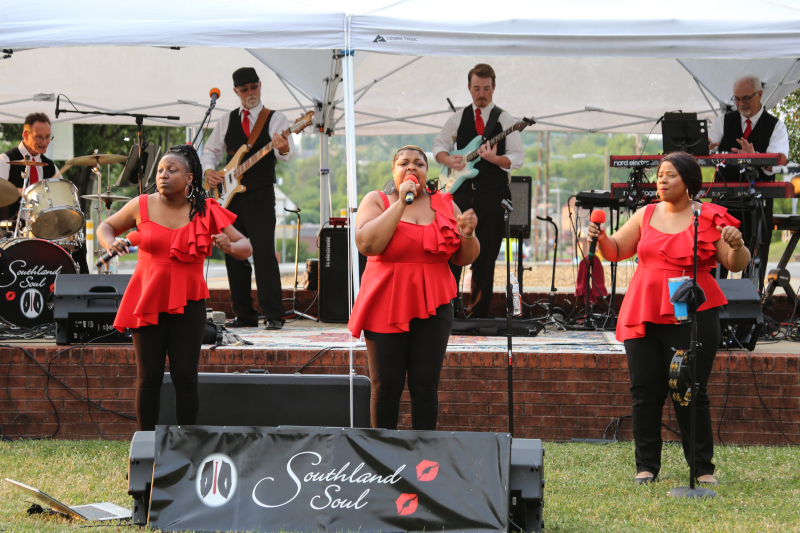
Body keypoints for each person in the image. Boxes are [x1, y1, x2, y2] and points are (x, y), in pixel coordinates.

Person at [588, 151, 750, 484]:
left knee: (687, 389)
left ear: (689, 181)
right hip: (645, 311)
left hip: (691, 313)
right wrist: (601, 239)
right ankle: (646, 466)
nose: (661, 179)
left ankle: (701, 468)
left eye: (670, 174)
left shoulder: (708, 216)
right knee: (645, 391)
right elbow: (616, 250)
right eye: (660, 174)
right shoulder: (645, 214)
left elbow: (736, 263)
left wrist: (737, 246)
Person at [98, 145, 252, 432]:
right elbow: (106, 226)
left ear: (189, 177)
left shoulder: (207, 209)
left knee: (185, 378)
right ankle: (147, 444)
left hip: (189, 302)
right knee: (148, 378)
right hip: (147, 299)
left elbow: (245, 246)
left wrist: (230, 247)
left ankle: (185, 445)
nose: (163, 175)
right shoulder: (141, 204)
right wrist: (110, 243)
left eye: (172, 170)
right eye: (160, 170)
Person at [348, 146, 479, 430]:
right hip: (386, 302)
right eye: (404, 163)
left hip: (434, 303)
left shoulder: (445, 203)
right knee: (386, 386)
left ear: (426, 172)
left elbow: (464, 258)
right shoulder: (377, 200)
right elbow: (367, 244)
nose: (412, 167)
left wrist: (467, 234)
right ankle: (382, 451)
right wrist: (401, 203)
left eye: (419, 163)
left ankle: (424, 452)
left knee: (426, 385)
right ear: (393, 170)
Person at [201, 67, 295, 329]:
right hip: (230, 196)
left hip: (261, 193)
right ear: (236, 91)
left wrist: (284, 147)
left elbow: (287, 156)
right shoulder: (226, 119)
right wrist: (209, 171)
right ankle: (244, 315)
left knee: (264, 252)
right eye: (244, 89)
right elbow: (210, 151)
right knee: (233, 253)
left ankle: (274, 315)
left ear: (260, 86)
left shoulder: (276, 118)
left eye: (254, 87)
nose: (250, 92)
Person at [433, 63, 524, 318]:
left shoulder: (505, 120)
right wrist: (448, 159)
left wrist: (495, 159)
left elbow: (517, 157)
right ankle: (447, 312)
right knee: (452, 250)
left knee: (486, 256)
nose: (481, 94)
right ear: (469, 88)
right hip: (460, 195)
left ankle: (479, 315)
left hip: (493, 196)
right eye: (476, 89)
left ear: (494, 88)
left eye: (486, 89)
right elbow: (439, 146)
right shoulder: (458, 118)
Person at [708, 74, 790, 289]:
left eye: (745, 98)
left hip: (758, 203)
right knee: (717, 253)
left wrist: (756, 157)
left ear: (759, 94)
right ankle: (714, 301)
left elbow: (779, 163)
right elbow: (708, 143)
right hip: (724, 201)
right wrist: (705, 146)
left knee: (756, 255)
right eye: (736, 99)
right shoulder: (723, 121)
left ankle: (752, 302)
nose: (740, 104)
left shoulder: (776, 126)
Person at [0, 112, 89, 273]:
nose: (45, 142)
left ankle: (80, 284)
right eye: (39, 137)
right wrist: (21, 192)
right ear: (25, 135)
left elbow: (62, 199)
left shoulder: (50, 166)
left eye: (48, 137)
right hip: (12, 230)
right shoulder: (5, 161)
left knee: (77, 242)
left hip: (46, 230)